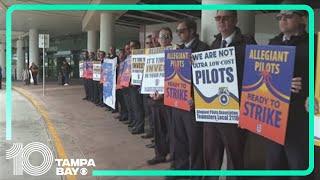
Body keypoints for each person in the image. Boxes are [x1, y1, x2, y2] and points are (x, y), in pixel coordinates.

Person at [203, 11, 257, 180]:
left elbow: (255, 78)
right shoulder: (214, 43)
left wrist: (246, 110)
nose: (221, 21)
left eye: (225, 18)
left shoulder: (248, 43)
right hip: (213, 111)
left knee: (235, 157)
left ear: (235, 20)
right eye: (218, 18)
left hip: (235, 112)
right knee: (211, 154)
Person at [264, 10, 309, 179]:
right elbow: (261, 76)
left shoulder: (314, 43)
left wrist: (311, 94)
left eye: (288, 16)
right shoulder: (272, 43)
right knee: (274, 166)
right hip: (273, 116)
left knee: (299, 167)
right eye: (279, 17)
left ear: (303, 18)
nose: (282, 20)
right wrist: (282, 83)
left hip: (300, 118)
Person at [168, 19, 209, 180]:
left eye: (181, 31)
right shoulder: (178, 50)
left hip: (193, 105)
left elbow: (208, 79)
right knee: (179, 141)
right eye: (177, 31)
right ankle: (180, 171)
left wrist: (197, 99)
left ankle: (195, 175)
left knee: (195, 143)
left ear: (192, 31)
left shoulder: (203, 48)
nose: (178, 34)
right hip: (177, 102)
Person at [147, 27, 174, 166]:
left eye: (166, 36)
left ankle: (171, 153)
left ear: (171, 38)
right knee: (158, 129)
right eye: (161, 36)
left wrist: (164, 92)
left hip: (169, 98)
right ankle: (159, 154)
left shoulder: (175, 52)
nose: (164, 39)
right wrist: (151, 90)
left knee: (170, 129)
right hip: (154, 98)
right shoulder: (152, 54)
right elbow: (150, 75)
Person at [128, 40, 145, 135]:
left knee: (138, 106)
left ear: (138, 46)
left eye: (133, 46)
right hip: (130, 84)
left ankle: (140, 126)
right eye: (130, 47)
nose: (131, 49)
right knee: (134, 106)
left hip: (138, 86)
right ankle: (136, 123)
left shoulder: (142, 56)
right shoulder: (129, 58)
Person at [141, 34, 155, 140]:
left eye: (151, 42)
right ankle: (151, 132)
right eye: (147, 43)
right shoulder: (143, 55)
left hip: (156, 90)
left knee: (155, 115)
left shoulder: (158, 53)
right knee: (149, 113)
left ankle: (156, 137)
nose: (149, 44)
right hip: (146, 87)